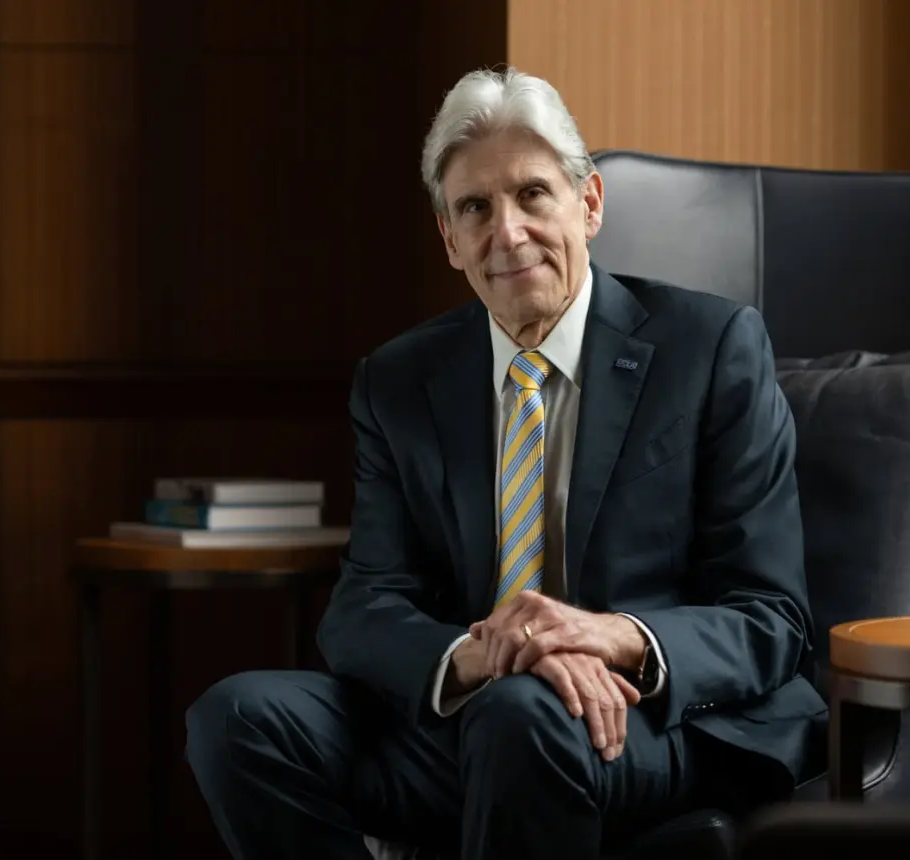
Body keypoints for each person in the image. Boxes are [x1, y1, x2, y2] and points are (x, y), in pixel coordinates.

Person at [185, 66, 827, 860]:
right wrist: (478, 654)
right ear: (449, 239)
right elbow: (363, 607)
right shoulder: (399, 380)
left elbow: (771, 616)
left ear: (588, 205)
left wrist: (603, 636)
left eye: (532, 195)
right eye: (475, 209)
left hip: (660, 721)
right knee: (237, 720)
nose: (508, 232)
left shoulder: (711, 347)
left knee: (521, 717)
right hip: (477, 713)